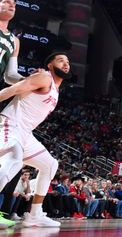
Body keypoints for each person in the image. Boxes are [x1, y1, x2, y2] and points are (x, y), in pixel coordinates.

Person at [0, 52, 70, 227]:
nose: (66, 64)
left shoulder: (55, 88)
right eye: (61, 60)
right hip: (10, 124)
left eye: (68, 61)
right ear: (50, 65)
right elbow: (13, 89)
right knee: (14, 161)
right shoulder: (45, 78)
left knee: (50, 165)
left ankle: (35, 214)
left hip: (25, 134)